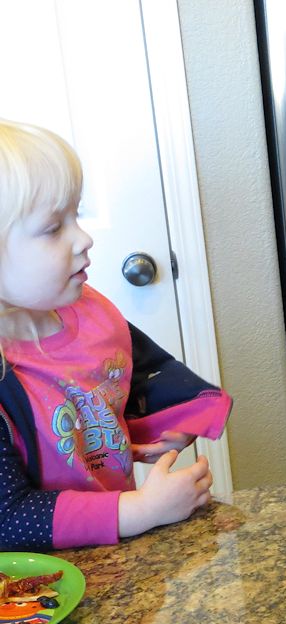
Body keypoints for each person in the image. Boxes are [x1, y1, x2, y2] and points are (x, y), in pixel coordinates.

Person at [0, 119, 233, 551]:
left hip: (116, 559)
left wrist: (172, 422)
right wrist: (143, 509)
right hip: (36, 579)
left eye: (76, 215)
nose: (83, 238)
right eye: (53, 228)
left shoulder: (89, 312)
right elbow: (8, 519)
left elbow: (134, 374)